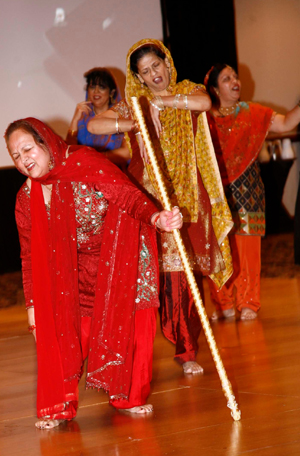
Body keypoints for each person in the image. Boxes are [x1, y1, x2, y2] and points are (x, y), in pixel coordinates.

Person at [6, 117, 183, 429]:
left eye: (28, 149)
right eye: (15, 156)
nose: (24, 160)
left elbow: (126, 195)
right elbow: (30, 256)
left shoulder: (85, 163)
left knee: (134, 329)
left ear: (46, 143)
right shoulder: (25, 199)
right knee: (65, 332)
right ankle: (60, 405)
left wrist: (156, 217)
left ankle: (128, 397)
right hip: (76, 270)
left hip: (123, 254)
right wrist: (33, 308)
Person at [88, 39, 233, 375]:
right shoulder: (134, 103)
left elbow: (203, 102)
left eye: (157, 65)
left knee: (182, 277)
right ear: (137, 77)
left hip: (184, 197)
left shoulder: (188, 90)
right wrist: (133, 122)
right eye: (145, 71)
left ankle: (187, 351)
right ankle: (134, 351)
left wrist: (166, 102)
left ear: (167, 62)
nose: (154, 74)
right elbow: (95, 126)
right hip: (146, 199)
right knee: (146, 275)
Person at [205, 64, 300, 320]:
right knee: (218, 251)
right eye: (226, 78)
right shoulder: (203, 118)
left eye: (235, 76)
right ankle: (223, 303)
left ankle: (249, 302)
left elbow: (286, 122)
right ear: (214, 88)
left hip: (248, 190)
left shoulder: (251, 112)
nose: (235, 81)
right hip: (215, 192)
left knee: (248, 251)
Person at [66, 67, 130, 167]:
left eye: (102, 87)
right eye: (92, 87)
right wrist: (75, 120)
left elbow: (127, 152)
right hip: (87, 174)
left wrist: (95, 158)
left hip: (117, 173)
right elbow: (69, 151)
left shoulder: (121, 115)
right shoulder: (83, 120)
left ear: (112, 93)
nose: (96, 91)